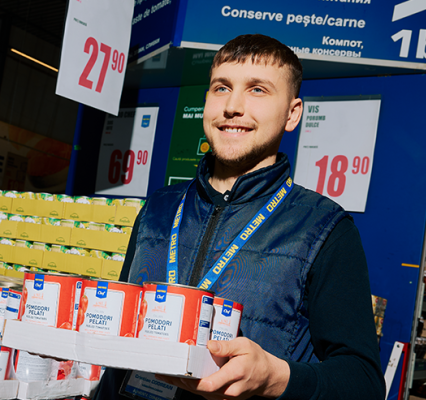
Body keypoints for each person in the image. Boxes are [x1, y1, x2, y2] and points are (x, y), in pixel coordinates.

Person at [93, 34, 385, 400]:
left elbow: (364, 383)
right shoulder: (159, 207)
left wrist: (275, 378)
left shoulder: (325, 229)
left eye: (258, 90)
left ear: (292, 113)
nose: (233, 106)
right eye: (221, 88)